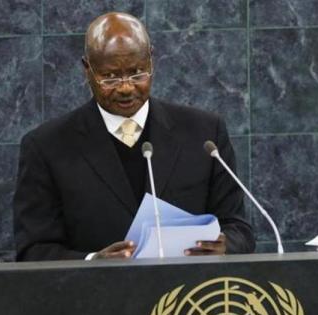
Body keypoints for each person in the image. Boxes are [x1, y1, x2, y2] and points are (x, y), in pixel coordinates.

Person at [14, 12, 255, 261]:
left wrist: (224, 247)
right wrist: (92, 261)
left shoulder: (204, 134)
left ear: (152, 61)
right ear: (87, 69)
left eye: (138, 73)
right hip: (94, 295)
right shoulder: (46, 146)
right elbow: (33, 250)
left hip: (187, 294)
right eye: (110, 77)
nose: (126, 87)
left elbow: (239, 229)